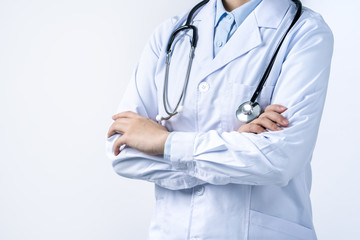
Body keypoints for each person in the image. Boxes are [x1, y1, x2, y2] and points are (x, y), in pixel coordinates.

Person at [106, 0, 333, 239]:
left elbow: (280, 159)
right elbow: (122, 151)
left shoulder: (305, 32)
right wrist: (237, 148)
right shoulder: (170, 33)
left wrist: (165, 144)